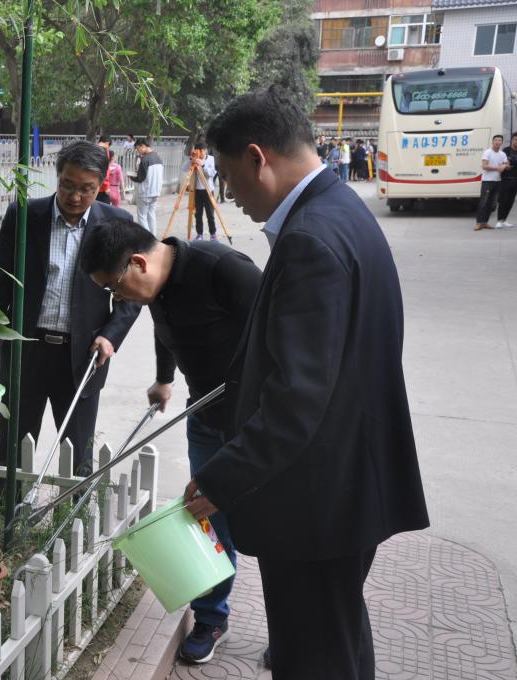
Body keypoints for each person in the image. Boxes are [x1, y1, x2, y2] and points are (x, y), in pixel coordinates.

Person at [184, 90, 429, 679]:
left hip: (317, 500)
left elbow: (296, 400)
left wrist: (219, 479)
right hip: (347, 484)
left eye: (227, 178)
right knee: (336, 640)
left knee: (312, 655)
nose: (229, 195)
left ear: (256, 158)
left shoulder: (309, 239)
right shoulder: (342, 209)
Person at [79, 217, 262, 665]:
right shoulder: (155, 288)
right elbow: (166, 330)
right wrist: (164, 379)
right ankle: (211, 617)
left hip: (257, 427)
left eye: (115, 289)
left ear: (138, 263)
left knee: (274, 524)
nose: (117, 300)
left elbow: (280, 337)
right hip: (205, 419)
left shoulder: (224, 270)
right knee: (208, 518)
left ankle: (289, 626)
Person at [0, 141, 140, 477]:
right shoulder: (24, 215)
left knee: (77, 455)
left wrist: (111, 336)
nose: (74, 196)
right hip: (25, 349)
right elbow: (0, 277)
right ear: (57, 176)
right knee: (13, 449)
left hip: (83, 356)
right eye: (67, 185)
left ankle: (72, 511)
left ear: (101, 184)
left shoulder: (117, 224)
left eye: (86, 189)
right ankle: (10, 511)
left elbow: (132, 293)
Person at [476, 134, 511, 231]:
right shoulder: (487, 152)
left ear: (502, 142)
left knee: (491, 204)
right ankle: (479, 223)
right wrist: (498, 168)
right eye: (496, 140)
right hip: (487, 181)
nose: (497, 142)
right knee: (484, 202)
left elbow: (507, 165)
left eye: (499, 140)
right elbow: (484, 166)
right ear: (492, 141)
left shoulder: (502, 154)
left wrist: (505, 166)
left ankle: (485, 222)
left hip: (497, 181)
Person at [131, 138, 163, 234]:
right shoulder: (158, 157)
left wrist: (131, 177)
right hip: (156, 191)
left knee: (142, 217)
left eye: (138, 149)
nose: (138, 151)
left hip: (145, 192)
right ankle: (153, 237)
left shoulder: (145, 159)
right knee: (151, 215)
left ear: (143, 146)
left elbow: (140, 178)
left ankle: (147, 239)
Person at [191, 142, 218, 241]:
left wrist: (203, 165)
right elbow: (184, 168)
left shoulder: (211, 159)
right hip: (197, 191)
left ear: (205, 150)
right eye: (198, 150)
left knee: (210, 214)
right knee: (198, 214)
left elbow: (212, 173)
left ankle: (213, 234)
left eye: (202, 150)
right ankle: (199, 234)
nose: (200, 153)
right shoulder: (194, 158)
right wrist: (191, 158)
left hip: (208, 190)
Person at [496, 132, 517, 228]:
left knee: (510, 201)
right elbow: (503, 163)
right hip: (506, 180)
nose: (516, 142)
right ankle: (499, 221)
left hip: (515, 180)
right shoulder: (506, 151)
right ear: (512, 140)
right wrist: (506, 165)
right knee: (503, 201)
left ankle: (504, 220)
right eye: (515, 140)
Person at [95, 136, 113, 204]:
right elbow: (104, 170)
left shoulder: (93, 149)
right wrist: (106, 186)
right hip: (102, 188)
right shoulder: (103, 151)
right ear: (107, 143)